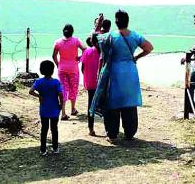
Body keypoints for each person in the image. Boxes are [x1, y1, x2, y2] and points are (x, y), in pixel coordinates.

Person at [91, 10, 153, 142]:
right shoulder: (135, 35)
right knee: (129, 103)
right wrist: (136, 57)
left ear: (116, 22)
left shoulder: (110, 36)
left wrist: (98, 25)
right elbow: (149, 48)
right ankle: (129, 133)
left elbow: (94, 39)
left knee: (112, 103)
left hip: (114, 72)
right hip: (130, 72)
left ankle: (112, 134)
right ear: (127, 21)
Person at [52, 24, 86, 120]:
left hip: (62, 69)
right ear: (72, 32)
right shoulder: (76, 40)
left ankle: (63, 113)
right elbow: (85, 49)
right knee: (73, 89)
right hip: (73, 69)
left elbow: (53, 56)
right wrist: (80, 57)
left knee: (63, 90)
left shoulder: (58, 42)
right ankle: (73, 109)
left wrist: (58, 65)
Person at [30, 60, 63, 155]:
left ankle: (43, 149)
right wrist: (61, 104)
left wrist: (39, 96)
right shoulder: (56, 82)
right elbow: (60, 93)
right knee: (54, 129)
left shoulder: (39, 82)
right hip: (54, 109)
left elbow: (31, 91)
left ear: (41, 70)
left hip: (44, 109)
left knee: (44, 129)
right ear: (53, 70)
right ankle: (55, 148)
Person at [80, 33, 100, 136]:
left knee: (90, 104)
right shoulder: (103, 52)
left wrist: (86, 78)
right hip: (102, 82)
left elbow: (82, 68)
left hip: (90, 82)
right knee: (105, 105)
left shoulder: (87, 51)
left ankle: (91, 128)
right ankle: (108, 128)